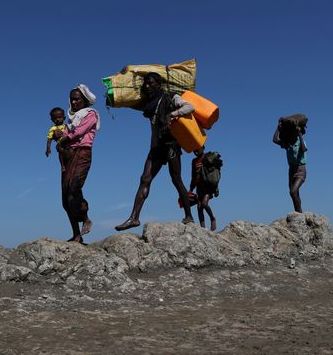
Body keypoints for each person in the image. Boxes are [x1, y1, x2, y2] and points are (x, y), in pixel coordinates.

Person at [115, 73, 195, 231]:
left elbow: (189, 107)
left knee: (176, 180)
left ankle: (189, 216)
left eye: (151, 83)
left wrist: (172, 114)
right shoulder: (149, 104)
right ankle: (134, 218)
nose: (147, 86)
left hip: (171, 145)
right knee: (145, 178)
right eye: (146, 83)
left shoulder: (170, 96)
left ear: (159, 84)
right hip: (156, 147)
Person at [52, 85, 99, 243]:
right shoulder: (71, 118)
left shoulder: (91, 114)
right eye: (72, 99)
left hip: (82, 154)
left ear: (84, 100)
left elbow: (78, 131)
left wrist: (63, 138)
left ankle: (86, 218)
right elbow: (68, 133)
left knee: (74, 187)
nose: (73, 102)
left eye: (77, 99)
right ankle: (76, 234)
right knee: (65, 198)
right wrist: (59, 136)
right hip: (68, 156)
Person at [272, 114, 308, 212]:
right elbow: (275, 140)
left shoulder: (300, 142)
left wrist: (300, 134)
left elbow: (303, 149)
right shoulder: (287, 144)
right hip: (291, 170)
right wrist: (278, 128)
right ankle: (298, 212)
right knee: (294, 193)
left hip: (300, 170)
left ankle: (299, 213)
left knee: (293, 191)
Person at [189, 147, 217, 230]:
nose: (195, 151)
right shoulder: (194, 161)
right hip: (199, 187)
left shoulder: (208, 158)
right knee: (199, 207)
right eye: (194, 150)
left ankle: (212, 218)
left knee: (204, 204)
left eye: (197, 149)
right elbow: (193, 176)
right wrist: (191, 188)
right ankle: (202, 228)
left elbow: (215, 174)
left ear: (203, 148)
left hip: (208, 187)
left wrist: (216, 188)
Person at [46, 107, 66, 171]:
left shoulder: (67, 126)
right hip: (60, 144)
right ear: (52, 119)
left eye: (59, 117)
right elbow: (49, 139)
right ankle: (62, 165)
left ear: (64, 118)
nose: (57, 119)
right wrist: (48, 149)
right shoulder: (53, 128)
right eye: (55, 118)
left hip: (68, 143)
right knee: (61, 153)